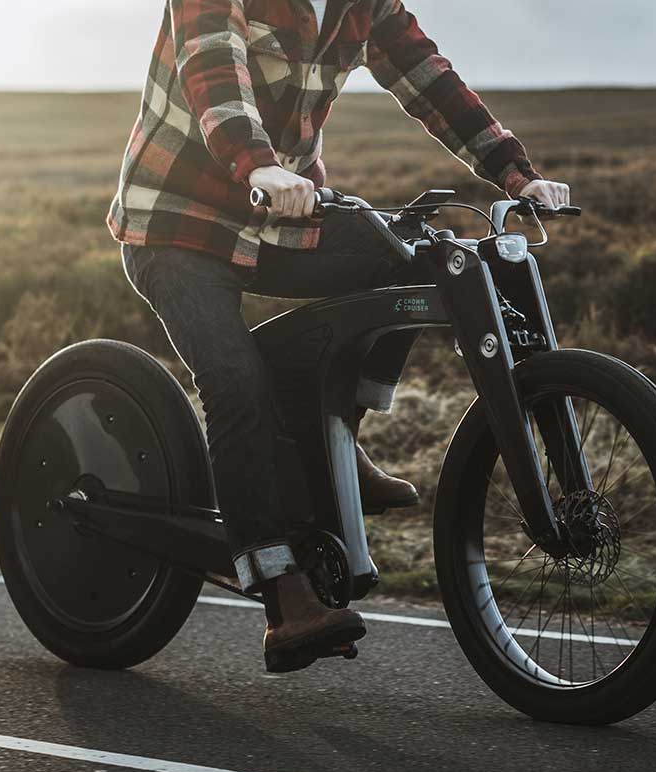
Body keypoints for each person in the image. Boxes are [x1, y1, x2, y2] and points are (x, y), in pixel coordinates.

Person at [108, 0, 571, 673]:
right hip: (177, 222)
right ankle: (282, 597)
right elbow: (213, 63)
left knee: (414, 259)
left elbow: (428, 76)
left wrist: (514, 171)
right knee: (235, 381)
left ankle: (332, 433)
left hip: (280, 217)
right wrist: (257, 163)